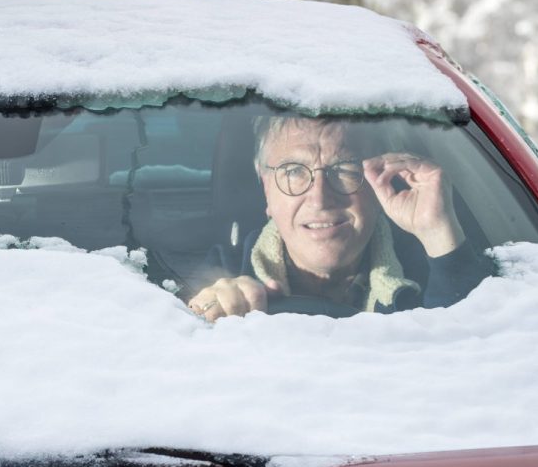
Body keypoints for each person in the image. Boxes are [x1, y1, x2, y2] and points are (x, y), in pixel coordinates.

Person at [188, 116, 489, 321]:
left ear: (379, 181)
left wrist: (438, 233)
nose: (320, 198)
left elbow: (481, 355)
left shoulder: (427, 272)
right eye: (293, 172)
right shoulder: (218, 272)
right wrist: (207, 313)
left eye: (344, 170)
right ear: (265, 188)